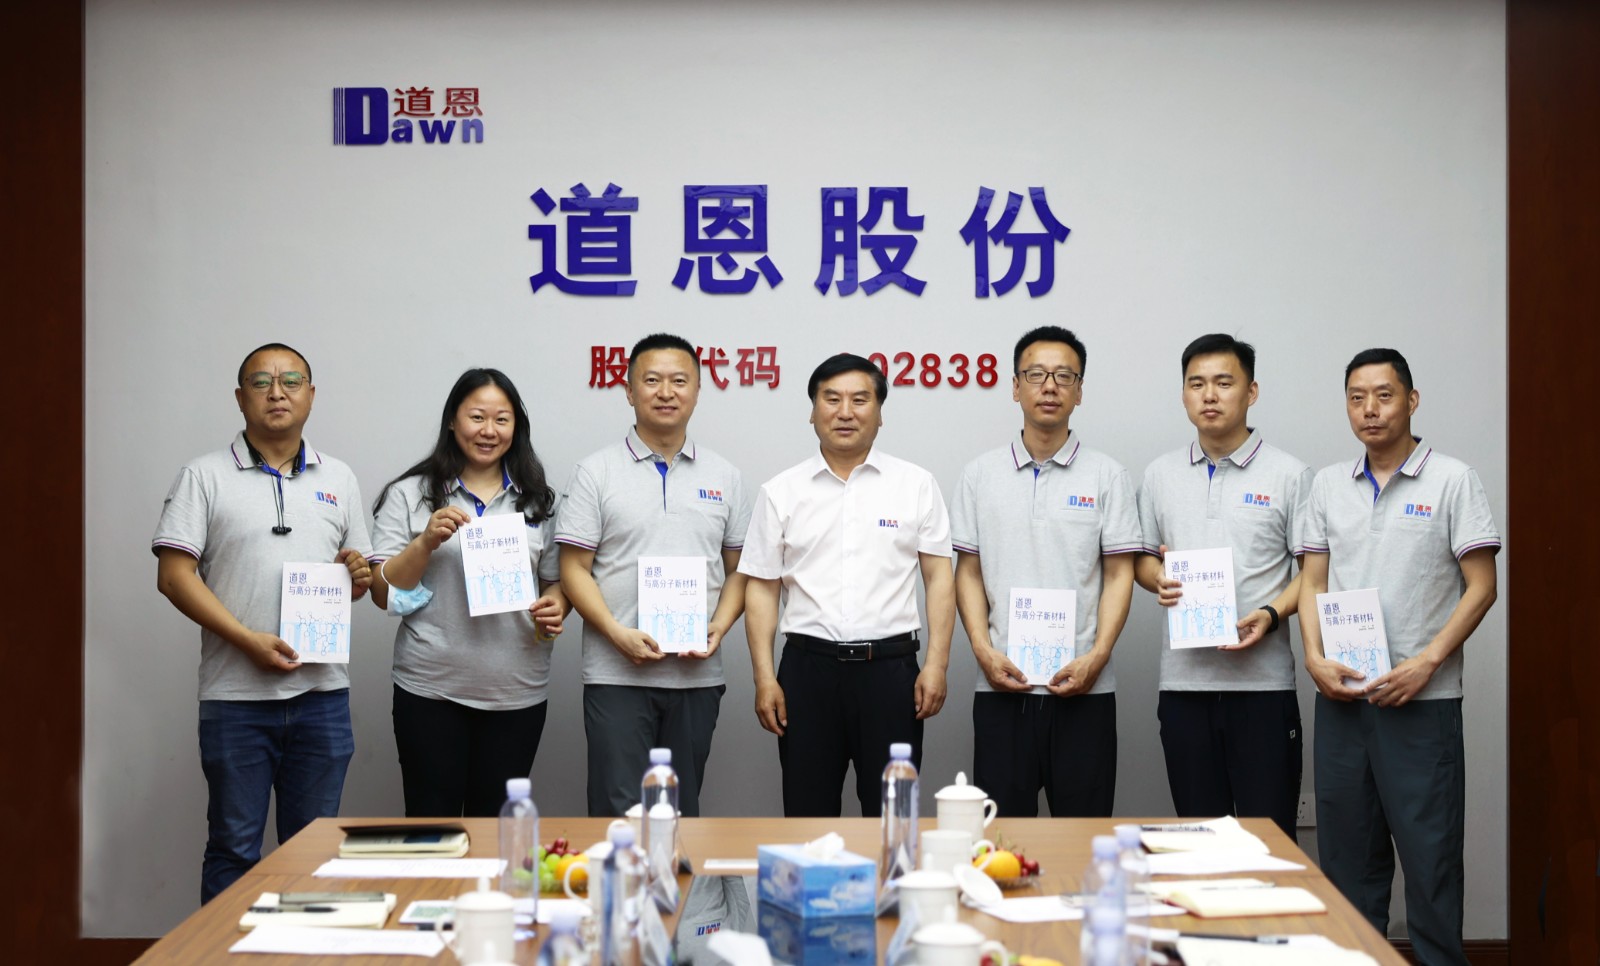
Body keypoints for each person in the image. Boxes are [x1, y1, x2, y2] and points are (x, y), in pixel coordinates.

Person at [1298, 348, 1499, 966]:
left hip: (1422, 702)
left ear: (1411, 401)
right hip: (1343, 700)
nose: (1370, 409)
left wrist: (1428, 662)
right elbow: (1312, 580)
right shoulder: (1328, 484)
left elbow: (1482, 586)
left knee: (1431, 861)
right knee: (1347, 864)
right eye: (1357, 398)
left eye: (1384, 396)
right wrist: (1313, 656)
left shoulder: (1453, 479)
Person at [153, 343, 373, 903]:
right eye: (261, 382)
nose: (278, 393)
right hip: (235, 700)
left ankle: (304, 949)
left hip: (322, 697)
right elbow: (174, 577)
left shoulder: (340, 477)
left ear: (311, 395)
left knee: (314, 855)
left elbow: (359, 578)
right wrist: (246, 640)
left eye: (291, 381)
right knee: (234, 849)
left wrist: (356, 574)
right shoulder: (203, 476)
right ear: (240, 397)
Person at [741, 353, 955, 817]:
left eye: (860, 400)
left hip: (891, 674)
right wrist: (764, 677)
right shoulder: (780, 491)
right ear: (812, 410)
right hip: (807, 673)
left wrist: (936, 665)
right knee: (808, 815)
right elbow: (761, 588)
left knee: (893, 817)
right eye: (831, 399)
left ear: (880, 412)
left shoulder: (916, 484)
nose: (845, 412)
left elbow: (939, 578)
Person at [556, 333, 750, 818]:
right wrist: (615, 632)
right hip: (616, 673)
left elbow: (740, 571)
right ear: (629, 390)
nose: (666, 392)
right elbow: (573, 568)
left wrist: (719, 626)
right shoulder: (594, 472)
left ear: (698, 391)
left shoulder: (725, 476)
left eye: (679, 381)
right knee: (618, 813)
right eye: (652, 380)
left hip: (696, 676)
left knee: (679, 814)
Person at [950, 327, 1137, 818]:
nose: (1049, 386)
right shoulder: (979, 475)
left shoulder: (1108, 475)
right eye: (1036, 375)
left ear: (1079, 391)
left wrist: (1097, 656)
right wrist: (983, 651)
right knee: (1001, 839)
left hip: (1084, 687)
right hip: (1001, 685)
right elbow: (967, 571)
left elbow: (1120, 574)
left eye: (1063, 376)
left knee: (1083, 836)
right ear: (1015, 387)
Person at [1133, 334, 1312, 837]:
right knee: (1199, 839)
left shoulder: (1291, 474)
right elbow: (1141, 559)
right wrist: (1157, 579)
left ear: (1251, 391)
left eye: (1223, 383)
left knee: (1271, 841)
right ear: (1183, 394)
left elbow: (1315, 573)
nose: (1209, 395)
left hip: (1263, 688)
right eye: (1197, 384)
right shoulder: (1159, 474)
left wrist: (1272, 615)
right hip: (1183, 687)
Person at [368, 368, 568, 817]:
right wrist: (424, 542)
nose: (488, 430)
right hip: (430, 688)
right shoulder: (410, 495)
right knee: (431, 826)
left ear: (516, 427)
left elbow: (555, 583)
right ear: (452, 422)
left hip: (516, 689)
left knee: (497, 828)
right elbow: (382, 592)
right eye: (477, 417)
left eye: (502, 419)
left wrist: (556, 606)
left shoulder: (540, 501)